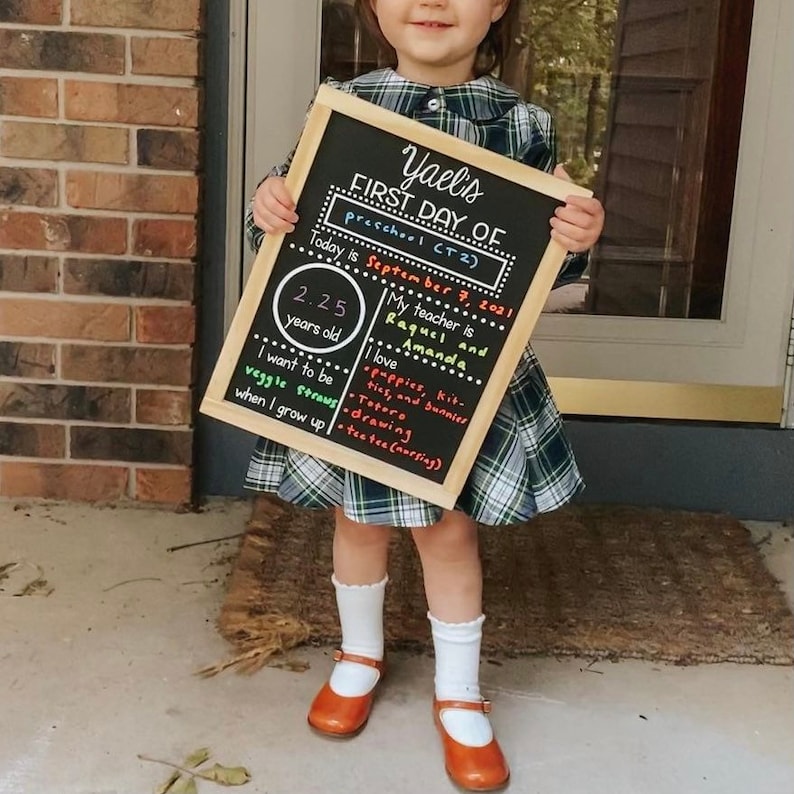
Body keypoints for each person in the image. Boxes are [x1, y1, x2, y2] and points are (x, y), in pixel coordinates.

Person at [245, 1, 604, 790]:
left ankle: (458, 693)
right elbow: (289, 225)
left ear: (500, 5)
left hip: (455, 370)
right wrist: (268, 205)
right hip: (361, 369)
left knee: (446, 529)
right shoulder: (343, 109)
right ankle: (360, 655)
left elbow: (544, 264)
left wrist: (577, 238)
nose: (433, 1)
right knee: (356, 521)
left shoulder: (524, 125)